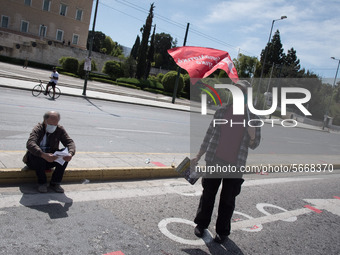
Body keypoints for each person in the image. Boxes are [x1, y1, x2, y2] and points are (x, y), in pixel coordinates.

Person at [191, 80, 261, 244]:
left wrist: (252, 135)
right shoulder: (222, 111)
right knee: (208, 194)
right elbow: (209, 135)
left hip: (235, 165)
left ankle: (222, 232)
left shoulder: (253, 118)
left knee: (228, 200)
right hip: (215, 159)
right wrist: (198, 156)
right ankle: (201, 224)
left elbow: (255, 144)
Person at [23, 111, 76, 193]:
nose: (53, 126)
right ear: (45, 121)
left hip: (50, 159)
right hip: (35, 161)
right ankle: (42, 183)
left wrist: (70, 153)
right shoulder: (38, 129)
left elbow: (69, 142)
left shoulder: (59, 129)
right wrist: (43, 154)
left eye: (55, 124)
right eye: (51, 124)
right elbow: (30, 144)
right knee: (36, 154)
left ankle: (55, 183)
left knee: (64, 154)